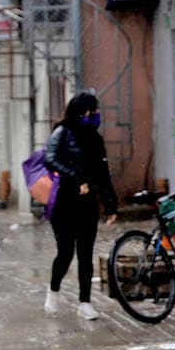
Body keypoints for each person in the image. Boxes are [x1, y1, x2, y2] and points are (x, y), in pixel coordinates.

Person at [44, 92, 118, 320]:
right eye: (92, 111)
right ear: (81, 112)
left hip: (88, 205)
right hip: (65, 203)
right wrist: (76, 177)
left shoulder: (95, 139)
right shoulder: (63, 132)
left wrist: (110, 204)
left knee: (86, 255)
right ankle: (53, 290)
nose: (96, 116)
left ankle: (85, 302)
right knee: (65, 253)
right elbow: (50, 159)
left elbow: (103, 173)